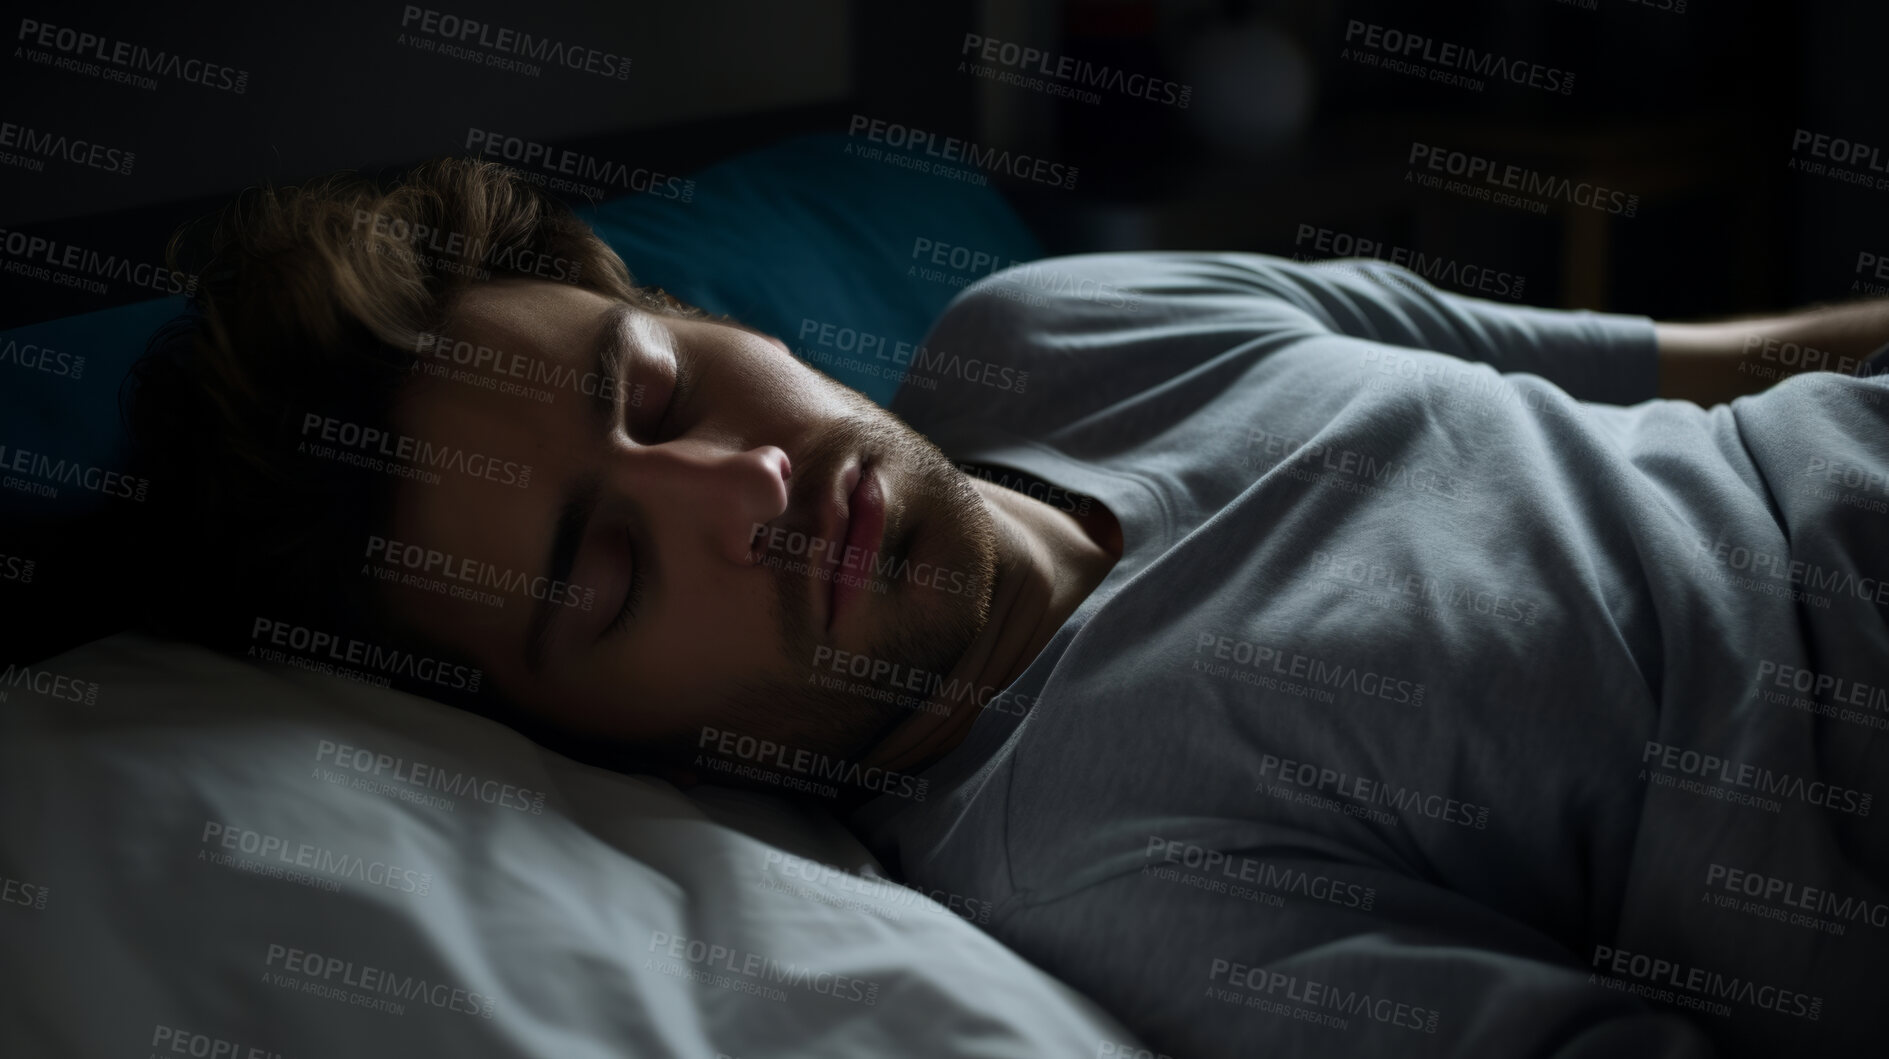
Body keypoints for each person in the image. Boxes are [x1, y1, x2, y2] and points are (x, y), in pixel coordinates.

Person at [129, 158, 1889, 1058]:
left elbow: (1719, 376)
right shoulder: (1093, 877)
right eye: (603, 577)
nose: (741, 494)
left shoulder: (1055, 325)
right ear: (583, 732)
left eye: (656, 392)